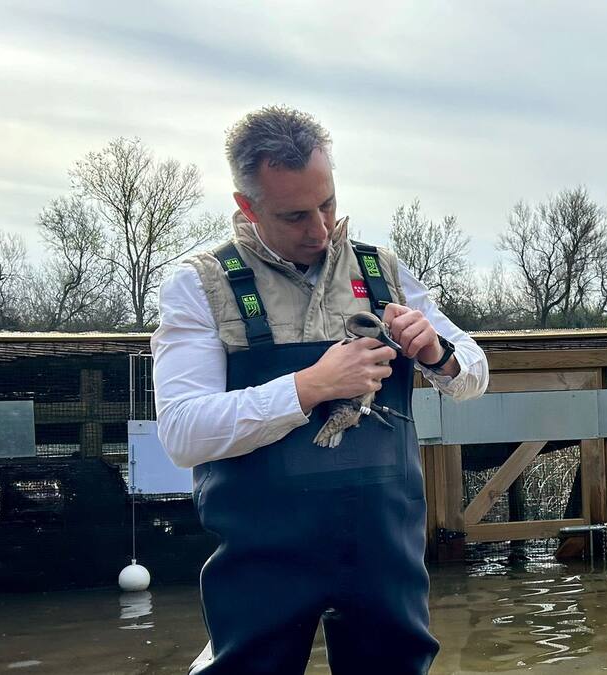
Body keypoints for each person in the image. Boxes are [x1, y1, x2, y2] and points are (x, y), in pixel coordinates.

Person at [151, 105, 489, 674]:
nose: (320, 228)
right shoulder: (198, 285)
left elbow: (474, 375)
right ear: (247, 206)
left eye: (328, 203)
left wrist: (435, 352)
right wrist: (308, 387)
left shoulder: (381, 272)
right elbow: (183, 434)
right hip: (262, 559)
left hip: (385, 554)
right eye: (294, 215)